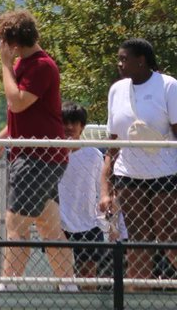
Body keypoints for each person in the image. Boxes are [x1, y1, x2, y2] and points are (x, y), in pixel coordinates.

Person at [0, 9, 73, 288]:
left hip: (37, 158)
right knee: (49, 226)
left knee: (15, 226)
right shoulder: (25, 64)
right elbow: (23, 114)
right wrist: (0, 139)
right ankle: (70, 286)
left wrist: (5, 65)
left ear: (14, 42)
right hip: (32, 154)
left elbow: (17, 102)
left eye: (3, 42)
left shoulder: (41, 66)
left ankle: (7, 288)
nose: (1, 48)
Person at [99, 37, 177, 282]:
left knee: (168, 237)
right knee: (138, 238)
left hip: (165, 173)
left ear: (141, 61)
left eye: (124, 58)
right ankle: (136, 296)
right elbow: (113, 144)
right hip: (128, 174)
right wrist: (106, 188)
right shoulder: (117, 90)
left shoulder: (168, 86)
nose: (119, 63)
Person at [59, 102, 109, 287]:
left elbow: (101, 186)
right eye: (65, 122)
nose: (70, 127)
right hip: (59, 222)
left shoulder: (94, 155)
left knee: (89, 274)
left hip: (88, 221)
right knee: (61, 274)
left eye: (75, 122)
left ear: (82, 126)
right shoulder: (51, 154)